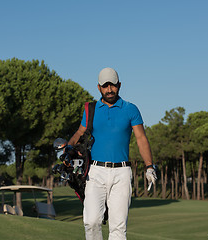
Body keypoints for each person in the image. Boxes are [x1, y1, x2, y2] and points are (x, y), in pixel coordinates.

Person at [68, 67, 157, 240]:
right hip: (95, 172)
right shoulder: (91, 109)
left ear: (119, 85)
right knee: (91, 221)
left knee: (118, 227)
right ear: (99, 87)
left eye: (113, 85)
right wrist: (67, 150)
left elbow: (141, 139)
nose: (109, 89)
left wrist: (149, 167)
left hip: (122, 173)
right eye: (105, 85)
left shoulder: (131, 109)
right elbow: (80, 133)